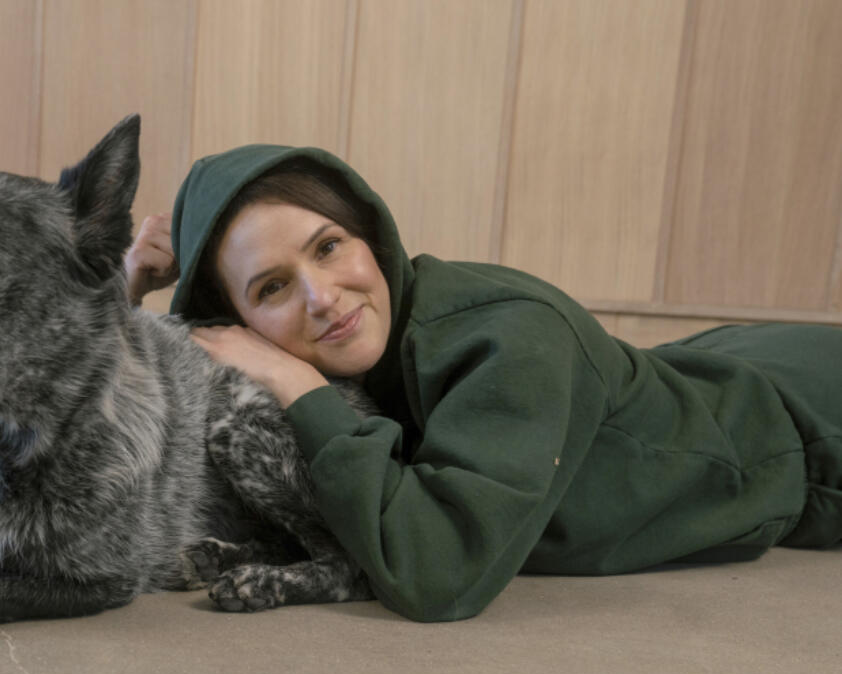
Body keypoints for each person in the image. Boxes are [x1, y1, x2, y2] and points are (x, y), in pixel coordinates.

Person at [124, 144, 842, 622]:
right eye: (274, 286)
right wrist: (121, 289)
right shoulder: (362, 359)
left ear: (368, 231)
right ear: (236, 322)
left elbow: (440, 570)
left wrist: (292, 381)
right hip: (696, 370)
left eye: (330, 246)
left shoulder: (512, 340)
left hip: (802, 427)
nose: (321, 298)